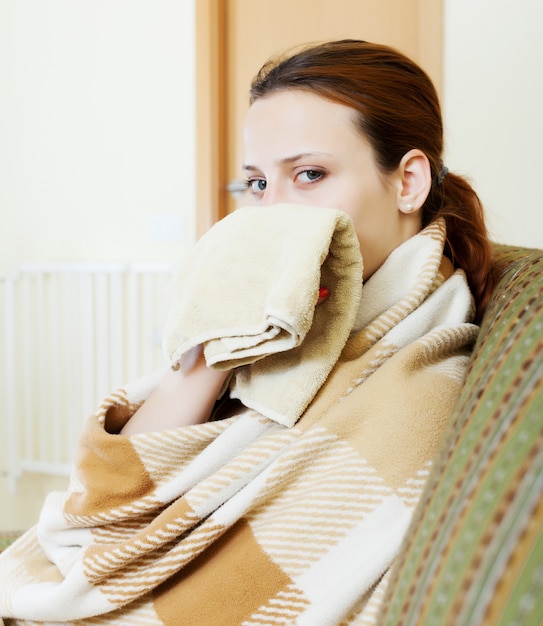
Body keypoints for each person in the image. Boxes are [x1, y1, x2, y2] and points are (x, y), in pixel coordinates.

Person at [0, 40, 497, 625]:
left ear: (408, 182)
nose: (275, 212)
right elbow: (105, 503)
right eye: (259, 184)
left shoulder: (421, 386)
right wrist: (213, 352)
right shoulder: (278, 316)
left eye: (310, 174)